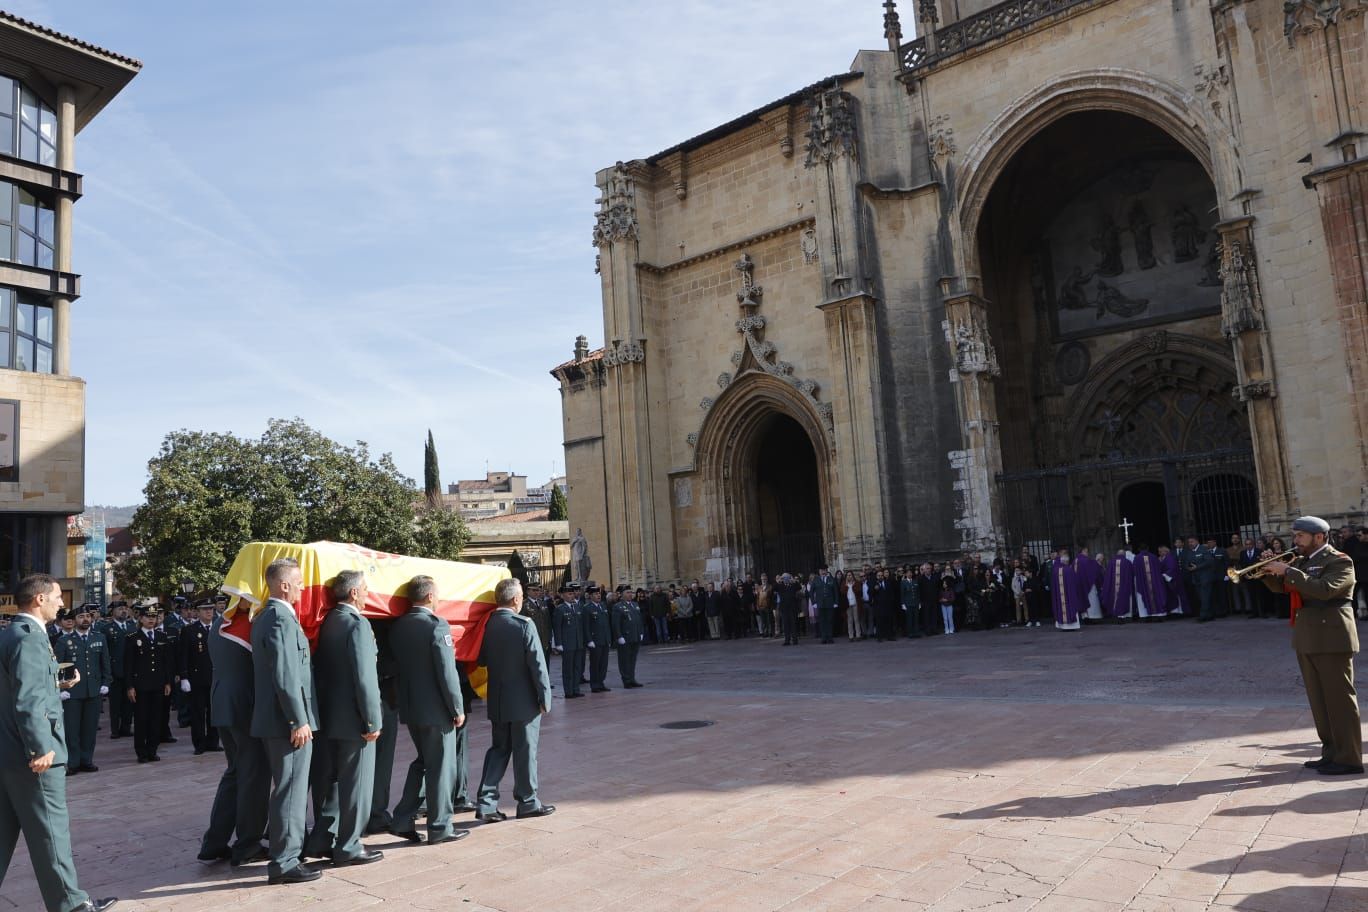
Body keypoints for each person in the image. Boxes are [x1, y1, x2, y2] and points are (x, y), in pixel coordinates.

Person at [0, 574, 117, 912]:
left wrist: (60, 688)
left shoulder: (11, 634)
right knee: (50, 833)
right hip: (32, 755)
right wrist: (40, 747)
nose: (61, 603)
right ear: (38, 599)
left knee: (4, 834)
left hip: (8, 751)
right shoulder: (29, 638)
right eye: (55, 597)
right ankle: (71, 905)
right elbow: (28, 699)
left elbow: (18, 692)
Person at [1260, 516, 1362, 775]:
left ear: (1319, 537)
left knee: (1339, 699)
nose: (1295, 541)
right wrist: (1270, 570)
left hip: (1331, 636)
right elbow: (1284, 589)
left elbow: (1325, 590)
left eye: (1300, 536)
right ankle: (1330, 752)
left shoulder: (1339, 560)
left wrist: (1289, 572)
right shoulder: (1304, 561)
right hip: (1307, 636)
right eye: (1295, 536)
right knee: (1319, 700)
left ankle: (1349, 758)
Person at [302, 571, 383, 867]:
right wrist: (372, 720)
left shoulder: (327, 621)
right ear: (353, 594)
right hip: (353, 720)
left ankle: (323, 839)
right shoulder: (357, 624)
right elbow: (365, 678)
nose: (366, 594)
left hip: (329, 715)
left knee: (330, 783)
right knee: (356, 785)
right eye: (364, 589)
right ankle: (348, 845)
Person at [251, 557, 322, 885]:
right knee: (291, 791)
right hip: (287, 722)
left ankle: (287, 855)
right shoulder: (280, 619)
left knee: (288, 789)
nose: (303, 587)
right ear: (283, 585)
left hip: (280, 720)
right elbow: (285, 675)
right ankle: (284, 862)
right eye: (298, 581)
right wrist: (298, 719)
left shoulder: (268, 616)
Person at [389, 575, 469, 846]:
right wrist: (457, 707)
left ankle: (402, 819)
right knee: (441, 767)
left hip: (412, 709)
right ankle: (440, 826)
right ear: (429, 597)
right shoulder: (436, 626)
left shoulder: (398, 626)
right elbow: (447, 673)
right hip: (436, 710)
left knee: (423, 762)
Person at [198, 596, 269, 867]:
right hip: (244, 706)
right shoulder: (248, 625)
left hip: (225, 704)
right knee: (254, 775)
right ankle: (248, 844)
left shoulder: (220, 624)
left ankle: (214, 842)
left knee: (236, 773)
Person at [53, 604, 111, 774]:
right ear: (74, 620)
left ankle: (87, 760)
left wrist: (106, 682)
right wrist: (60, 688)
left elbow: (105, 663)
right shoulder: (64, 641)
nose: (85, 619)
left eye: (88, 616)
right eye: (81, 617)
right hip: (71, 692)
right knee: (72, 730)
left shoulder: (99, 638)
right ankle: (72, 762)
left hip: (93, 690)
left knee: (90, 728)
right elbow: (58, 666)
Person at [124, 605, 173, 764]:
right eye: (147, 616)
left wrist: (167, 681)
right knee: (141, 719)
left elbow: (166, 661)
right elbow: (129, 665)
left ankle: (153, 750)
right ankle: (141, 752)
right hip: (141, 685)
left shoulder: (161, 636)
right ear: (140, 619)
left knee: (156, 719)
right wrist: (130, 686)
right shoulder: (132, 637)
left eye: (154, 617)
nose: (151, 619)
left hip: (158, 684)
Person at [177, 599, 219, 755]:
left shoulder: (219, 628)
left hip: (215, 677)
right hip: (197, 678)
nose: (209, 612)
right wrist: (184, 677)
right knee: (198, 713)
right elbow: (183, 656)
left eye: (211, 609)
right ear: (198, 612)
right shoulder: (189, 630)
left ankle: (213, 742)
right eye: (205, 609)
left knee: (214, 712)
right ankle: (199, 743)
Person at [99, 601, 135, 740]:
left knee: (129, 702)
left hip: (130, 670)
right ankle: (115, 729)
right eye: (120, 609)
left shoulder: (132, 627)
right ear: (113, 612)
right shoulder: (107, 629)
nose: (124, 611)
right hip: (115, 671)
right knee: (115, 703)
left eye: (125, 609)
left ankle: (126, 727)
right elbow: (104, 653)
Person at [552, 584, 585, 699]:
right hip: (567, 644)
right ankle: (569, 691)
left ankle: (576, 689)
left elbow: (581, 626)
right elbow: (557, 627)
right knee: (568, 669)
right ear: (563, 595)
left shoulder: (577, 607)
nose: (572, 596)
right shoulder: (560, 609)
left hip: (578, 642)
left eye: (573, 593)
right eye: (569, 594)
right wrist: (558, 643)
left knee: (577, 668)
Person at [610, 586, 644, 687]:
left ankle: (632, 678)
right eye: (628, 592)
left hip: (635, 635)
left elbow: (639, 620)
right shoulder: (618, 607)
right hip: (625, 637)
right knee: (624, 660)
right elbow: (615, 623)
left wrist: (641, 632)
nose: (630, 594)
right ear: (622, 594)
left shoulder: (635, 605)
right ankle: (626, 680)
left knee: (632, 659)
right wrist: (619, 636)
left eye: (631, 592)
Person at [581, 586, 612, 693]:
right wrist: (589, 640)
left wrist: (609, 638)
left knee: (604, 663)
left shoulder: (603, 606)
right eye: (595, 594)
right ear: (590, 596)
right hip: (595, 640)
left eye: (599, 594)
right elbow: (586, 626)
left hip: (604, 639)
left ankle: (601, 682)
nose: (598, 595)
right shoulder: (587, 608)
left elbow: (607, 624)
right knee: (595, 663)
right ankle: (594, 685)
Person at [1049, 550, 1084, 631]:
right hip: (1069, 596)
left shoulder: (1055, 571)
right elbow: (1076, 582)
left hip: (1060, 597)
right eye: (1067, 560)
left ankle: (1063, 626)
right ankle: (1072, 626)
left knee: (1061, 608)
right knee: (1070, 606)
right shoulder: (1069, 570)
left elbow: (1053, 586)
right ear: (1066, 561)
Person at [1102, 549, 1135, 621]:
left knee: (1114, 599)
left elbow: (1107, 576)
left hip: (1113, 587)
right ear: (1124, 555)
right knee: (1124, 599)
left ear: (1117, 554)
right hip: (1124, 586)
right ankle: (1123, 616)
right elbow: (1132, 575)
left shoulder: (1111, 562)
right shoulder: (1128, 562)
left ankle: (1115, 615)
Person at [812, 565, 838, 644]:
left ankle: (830, 637)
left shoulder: (831, 579)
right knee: (822, 621)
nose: (823, 572)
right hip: (820, 604)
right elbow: (811, 592)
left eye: (824, 570)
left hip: (829, 603)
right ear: (819, 571)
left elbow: (835, 592)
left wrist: (836, 602)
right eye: (821, 570)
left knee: (829, 620)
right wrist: (814, 602)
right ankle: (823, 637)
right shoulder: (816, 580)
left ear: (826, 571)